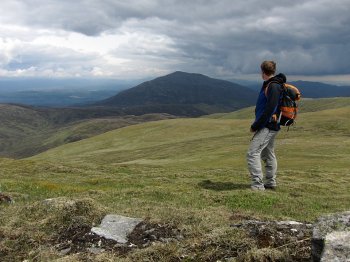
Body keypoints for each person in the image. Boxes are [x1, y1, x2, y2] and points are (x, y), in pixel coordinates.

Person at [247, 61, 286, 190]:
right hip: (271, 124)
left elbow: (269, 109)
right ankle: (270, 182)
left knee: (252, 153)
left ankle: (258, 185)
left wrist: (256, 125)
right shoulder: (272, 85)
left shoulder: (273, 86)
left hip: (267, 125)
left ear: (262, 72)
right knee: (268, 153)